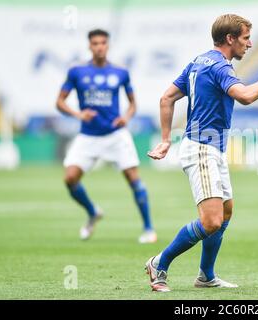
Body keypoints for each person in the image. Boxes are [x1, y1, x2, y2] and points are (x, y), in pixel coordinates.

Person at [146, 14, 258, 292]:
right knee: (211, 221)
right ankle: (159, 263)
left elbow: (167, 98)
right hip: (202, 149)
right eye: (246, 38)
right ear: (230, 39)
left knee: (225, 212)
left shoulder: (198, 61)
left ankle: (206, 276)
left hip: (212, 148)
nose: (249, 44)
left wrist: (166, 139)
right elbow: (246, 96)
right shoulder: (221, 68)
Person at [56, 29, 156, 244]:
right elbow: (60, 102)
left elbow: (133, 104)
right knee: (70, 178)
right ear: (89, 46)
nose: (99, 46)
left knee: (134, 180)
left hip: (115, 135)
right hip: (88, 136)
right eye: (95, 43)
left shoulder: (120, 72)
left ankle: (148, 228)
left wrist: (126, 117)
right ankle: (93, 212)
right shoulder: (77, 72)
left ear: (108, 45)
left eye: (103, 43)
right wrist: (78, 114)